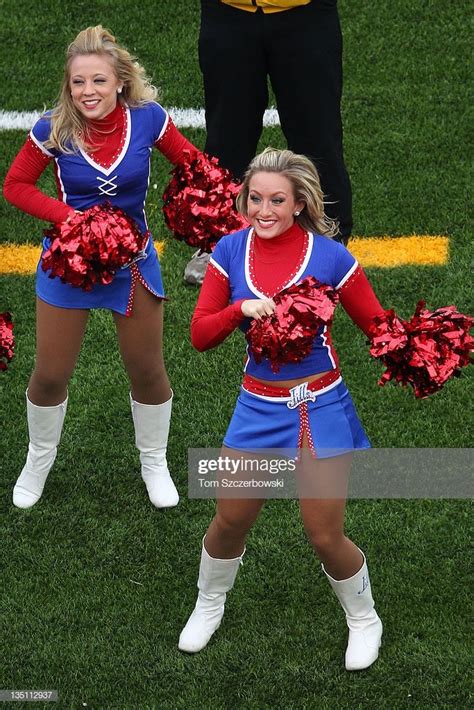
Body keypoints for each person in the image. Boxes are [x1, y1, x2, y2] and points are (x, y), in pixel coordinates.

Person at [178, 148, 384, 671]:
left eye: (276, 200)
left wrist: (426, 349)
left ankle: (363, 619)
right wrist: (238, 309)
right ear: (243, 199)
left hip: (322, 406)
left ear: (298, 204)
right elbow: (200, 335)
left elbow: (379, 328)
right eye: (255, 198)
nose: (263, 210)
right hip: (258, 407)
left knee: (323, 533)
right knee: (229, 521)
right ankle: (209, 602)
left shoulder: (331, 257)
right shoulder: (229, 251)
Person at [3, 26, 200, 510]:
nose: (87, 92)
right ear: (68, 86)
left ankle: (154, 461)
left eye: (98, 81)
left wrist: (190, 208)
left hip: (132, 265)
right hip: (68, 264)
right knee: (49, 375)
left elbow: (194, 167)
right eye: (78, 83)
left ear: (119, 82)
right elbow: (16, 185)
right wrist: (72, 219)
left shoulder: (150, 120)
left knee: (148, 371)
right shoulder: (53, 128)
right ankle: (39, 458)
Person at [198, 0, 352, 244]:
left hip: (306, 15)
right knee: (225, 138)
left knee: (317, 136)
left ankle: (329, 239)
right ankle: (217, 241)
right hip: (227, 13)